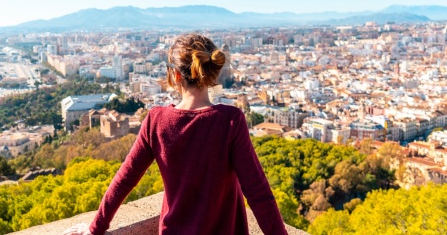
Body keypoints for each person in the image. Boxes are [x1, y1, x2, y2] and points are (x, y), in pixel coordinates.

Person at [63, 34, 288, 235]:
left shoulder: (157, 120)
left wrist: (96, 228)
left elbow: (125, 178)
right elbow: (258, 194)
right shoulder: (230, 121)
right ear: (210, 72)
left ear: (175, 75)